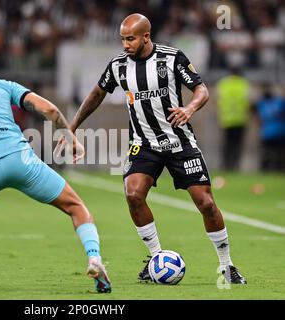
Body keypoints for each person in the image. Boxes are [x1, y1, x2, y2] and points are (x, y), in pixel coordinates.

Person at [62, 14, 246, 284]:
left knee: (206, 203)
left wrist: (189, 108)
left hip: (179, 141)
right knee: (133, 194)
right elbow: (97, 94)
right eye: (123, 39)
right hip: (143, 143)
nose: (125, 44)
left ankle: (226, 265)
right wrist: (72, 126)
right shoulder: (118, 66)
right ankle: (156, 258)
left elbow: (202, 90)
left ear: (146, 37)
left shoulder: (172, 58)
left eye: (131, 39)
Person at [0, 40, 111, 293]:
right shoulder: (3, 85)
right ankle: (94, 258)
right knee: (75, 206)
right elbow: (50, 110)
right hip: (20, 160)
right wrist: (71, 140)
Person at [216, 67, 251, 170]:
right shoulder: (244, 83)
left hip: (226, 120)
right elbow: (248, 100)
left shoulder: (223, 83)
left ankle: (226, 165)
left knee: (227, 145)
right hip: (240, 119)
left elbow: (218, 100)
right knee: (238, 145)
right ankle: (236, 165)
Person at [253, 86, 285, 171]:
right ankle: (278, 168)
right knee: (278, 153)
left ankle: (266, 168)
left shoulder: (262, 104)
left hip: (267, 133)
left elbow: (256, 114)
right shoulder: (279, 102)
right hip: (279, 132)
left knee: (268, 152)